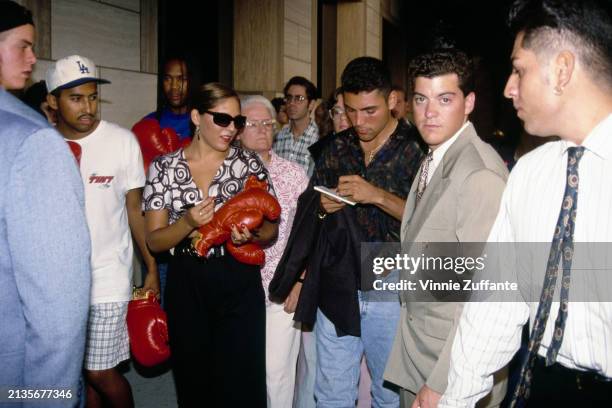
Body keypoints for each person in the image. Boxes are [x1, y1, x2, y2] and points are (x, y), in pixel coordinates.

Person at [439, 1, 612, 407]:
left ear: (562, 69)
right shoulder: (529, 173)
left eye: (519, 69)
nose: (508, 88)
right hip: (540, 386)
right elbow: (493, 310)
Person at [272, 56, 424, 407]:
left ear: (392, 101)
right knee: (331, 391)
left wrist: (378, 197)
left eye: (369, 111)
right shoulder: (337, 148)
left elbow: (430, 222)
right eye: (351, 110)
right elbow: (310, 212)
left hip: (390, 270)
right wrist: (323, 208)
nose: (359, 121)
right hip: (338, 270)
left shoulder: (417, 149)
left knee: (388, 392)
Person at [383, 48, 508, 408]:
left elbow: (485, 295)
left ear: (468, 103)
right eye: (421, 99)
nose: (430, 112)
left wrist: (442, 382)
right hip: (419, 351)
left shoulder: (479, 173)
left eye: (445, 99)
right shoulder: (437, 155)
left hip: (453, 372)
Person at [143, 83, 278, 407]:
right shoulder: (164, 168)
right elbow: (154, 240)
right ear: (195, 117)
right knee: (194, 381)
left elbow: (271, 228)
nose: (231, 129)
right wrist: (188, 222)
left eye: (237, 121)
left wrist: (252, 235)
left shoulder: (249, 164)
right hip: (187, 279)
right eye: (222, 119)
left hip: (238, 277)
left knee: (243, 382)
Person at [46, 54, 158, 408]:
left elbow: (135, 211)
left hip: (109, 275)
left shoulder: (122, 141)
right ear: (53, 101)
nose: (88, 107)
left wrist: (151, 268)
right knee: (84, 373)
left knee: (99, 372)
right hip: (59, 282)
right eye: (76, 98)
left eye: (93, 97)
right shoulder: (42, 146)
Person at [0, 1, 91, 404]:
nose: (33, 58)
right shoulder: (31, 143)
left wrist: (46, 395)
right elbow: (58, 311)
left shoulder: (30, 141)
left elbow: (58, 308)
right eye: (23, 46)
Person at [238, 94, 309, 408]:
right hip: (236, 290)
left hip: (281, 288)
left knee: (277, 375)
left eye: (267, 123)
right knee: (240, 371)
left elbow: (309, 234)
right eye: (253, 124)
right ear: (238, 129)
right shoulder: (225, 174)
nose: (262, 130)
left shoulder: (294, 175)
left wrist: (301, 280)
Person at [272, 76, 319, 176]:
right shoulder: (278, 138)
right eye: (289, 98)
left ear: (311, 104)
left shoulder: (319, 139)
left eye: (299, 98)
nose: (292, 103)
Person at [144, 57, 192, 140]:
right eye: (167, 79)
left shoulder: (204, 123)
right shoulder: (149, 122)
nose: (174, 86)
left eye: (181, 79)